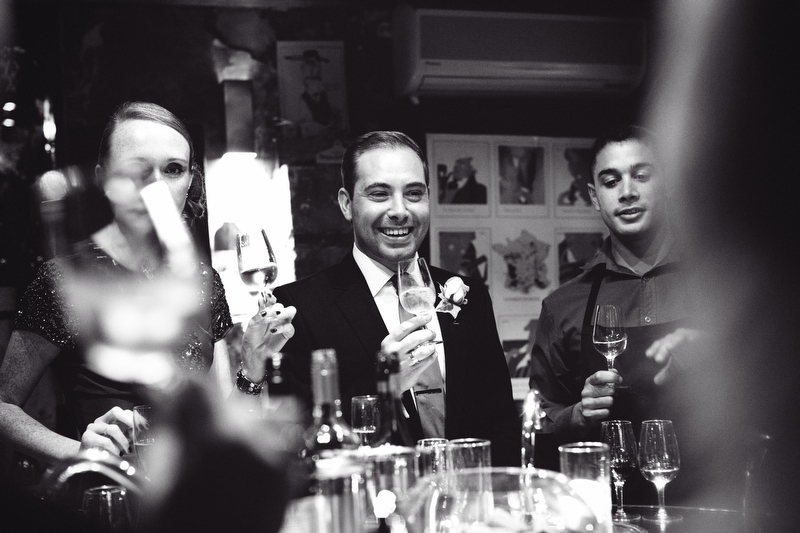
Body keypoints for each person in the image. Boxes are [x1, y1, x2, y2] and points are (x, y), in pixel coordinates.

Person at [0, 102, 295, 468]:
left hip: (192, 493)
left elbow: (219, 425)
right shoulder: (68, 279)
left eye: (173, 169)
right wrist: (79, 452)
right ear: (103, 178)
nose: (156, 185)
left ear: (190, 180)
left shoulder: (202, 279)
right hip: (113, 493)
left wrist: (251, 365)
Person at [274, 131, 519, 466]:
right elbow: (297, 441)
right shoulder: (299, 308)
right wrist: (383, 386)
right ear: (347, 204)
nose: (400, 211)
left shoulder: (470, 296)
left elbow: (501, 422)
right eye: (379, 194)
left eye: (414, 194)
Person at [528, 125, 705, 490]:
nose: (627, 192)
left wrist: (719, 355)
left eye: (641, 176)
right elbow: (540, 420)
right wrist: (578, 414)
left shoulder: (720, 283)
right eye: (611, 181)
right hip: (610, 507)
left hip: (715, 503)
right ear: (595, 197)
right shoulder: (564, 306)